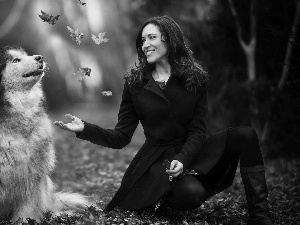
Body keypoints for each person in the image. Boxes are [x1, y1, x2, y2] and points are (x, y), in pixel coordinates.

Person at [54, 16, 273, 225]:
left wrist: (184, 159)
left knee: (245, 134)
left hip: (191, 150)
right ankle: (160, 198)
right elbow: (121, 137)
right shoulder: (135, 84)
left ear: (169, 39)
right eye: (142, 40)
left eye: (151, 38)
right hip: (158, 160)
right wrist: (85, 129)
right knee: (192, 195)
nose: (145, 45)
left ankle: (260, 215)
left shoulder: (194, 79)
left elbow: (198, 130)